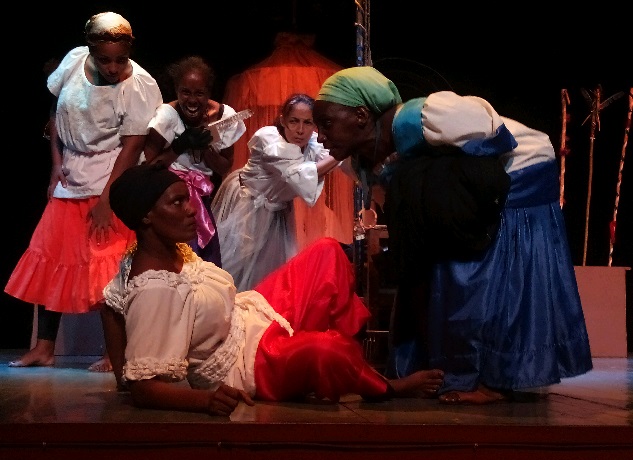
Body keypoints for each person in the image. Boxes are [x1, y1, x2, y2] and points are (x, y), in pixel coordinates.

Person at [312, 66, 593, 405]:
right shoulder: (360, 162)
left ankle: (495, 379)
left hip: (519, 169)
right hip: (471, 191)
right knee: (439, 273)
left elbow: (494, 138)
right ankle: (442, 365)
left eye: (326, 123)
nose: (320, 137)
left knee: (486, 276)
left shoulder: (425, 116)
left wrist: (435, 173)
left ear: (360, 115)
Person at [102, 163, 444, 415]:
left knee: (326, 253)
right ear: (146, 217)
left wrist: (120, 375)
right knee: (327, 350)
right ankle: (376, 384)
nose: (192, 209)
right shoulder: (155, 288)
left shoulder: (164, 250)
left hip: (248, 315)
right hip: (245, 364)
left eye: (186, 199)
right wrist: (204, 400)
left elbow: (109, 303)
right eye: (177, 203)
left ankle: (331, 368)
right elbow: (144, 390)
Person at [5, 12, 162, 371]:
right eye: (104, 59)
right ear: (90, 48)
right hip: (70, 176)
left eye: (120, 60)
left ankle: (114, 352)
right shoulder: (75, 61)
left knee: (108, 267)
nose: (112, 67)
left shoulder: (139, 85)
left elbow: (132, 145)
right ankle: (44, 347)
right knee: (51, 257)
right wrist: (55, 165)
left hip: (110, 175)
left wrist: (108, 198)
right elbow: (56, 113)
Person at [211, 93, 344, 292]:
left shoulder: (312, 143)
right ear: (283, 121)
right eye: (294, 121)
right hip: (250, 204)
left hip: (277, 207)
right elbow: (299, 174)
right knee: (238, 264)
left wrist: (345, 150)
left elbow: (331, 159)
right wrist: (342, 152)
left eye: (307, 123)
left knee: (272, 270)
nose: (300, 130)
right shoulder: (269, 139)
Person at [143, 55, 247, 266]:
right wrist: (180, 145)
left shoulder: (224, 116)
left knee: (205, 261)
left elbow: (224, 167)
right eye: (185, 92)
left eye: (199, 93)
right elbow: (149, 167)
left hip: (202, 196)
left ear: (208, 93)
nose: (192, 100)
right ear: (177, 90)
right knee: (178, 259)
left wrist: (205, 146)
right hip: (171, 198)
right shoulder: (167, 116)